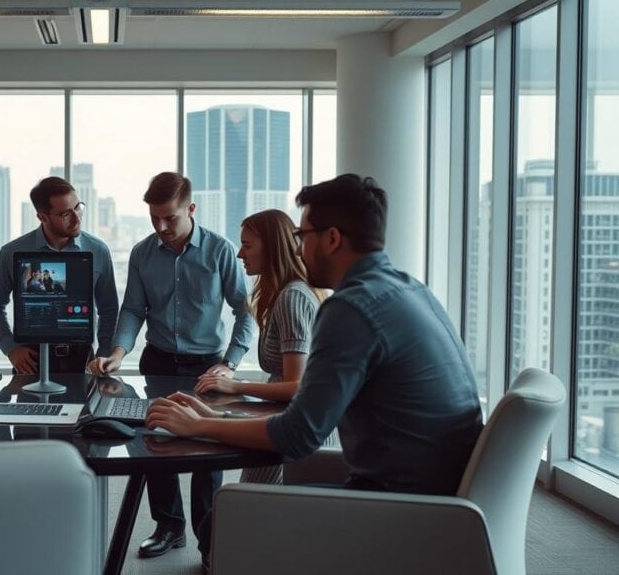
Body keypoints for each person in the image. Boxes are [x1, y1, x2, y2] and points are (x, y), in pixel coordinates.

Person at [145, 174, 484, 572]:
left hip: (401, 509)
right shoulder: (411, 289)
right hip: (438, 499)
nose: (298, 247)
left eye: (303, 235)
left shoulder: (351, 309)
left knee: (224, 517)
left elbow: (298, 435)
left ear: (332, 239)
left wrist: (200, 425)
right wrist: (214, 416)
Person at [88, 171, 252, 561]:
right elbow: (132, 310)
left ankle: (210, 540)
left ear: (191, 209)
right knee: (154, 444)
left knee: (206, 453)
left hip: (207, 366)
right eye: (154, 218)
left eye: (170, 218)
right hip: (158, 361)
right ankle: (168, 527)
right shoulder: (143, 253)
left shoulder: (221, 250)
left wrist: (230, 362)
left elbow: (245, 310)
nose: (161, 227)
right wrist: (117, 353)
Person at [195, 209, 324, 485]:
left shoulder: (292, 298)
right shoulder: (285, 294)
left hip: (291, 433)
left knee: (240, 514)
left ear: (273, 248)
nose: (240, 254)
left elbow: (297, 385)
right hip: (282, 423)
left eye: (247, 245)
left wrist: (236, 386)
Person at [0, 176, 119, 374]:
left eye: (78, 207)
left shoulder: (98, 250)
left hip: (83, 359)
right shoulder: (11, 253)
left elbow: (109, 309)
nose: (77, 218)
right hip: (31, 360)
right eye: (65, 214)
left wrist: (104, 353)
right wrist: (11, 348)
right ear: (42, 217)